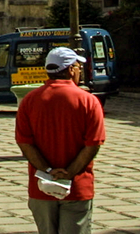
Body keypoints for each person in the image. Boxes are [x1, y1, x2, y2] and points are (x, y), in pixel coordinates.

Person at [15, 47, 106, 234]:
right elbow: (93, 144)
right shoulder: (88, 101)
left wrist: (48, 171)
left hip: (41, 187)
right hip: (77, 186)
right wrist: (68, 173)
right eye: (78, 67)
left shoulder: (29, 101)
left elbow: (25, 143)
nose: (79, 71)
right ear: (71, 69)